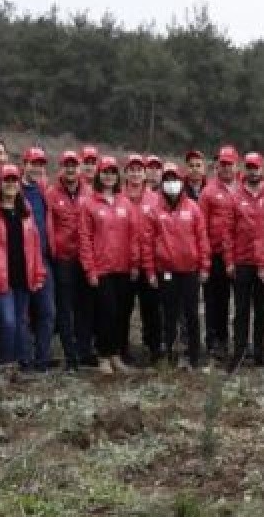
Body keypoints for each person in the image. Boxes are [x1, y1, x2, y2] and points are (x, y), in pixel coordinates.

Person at [0, 165, 48, 382]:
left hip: (23, 276)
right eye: (6, 180)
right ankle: (5, 364)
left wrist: (38, 273)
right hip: (0, 278)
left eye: (14, 180)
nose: (11, 184)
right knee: (8, 322)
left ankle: (21, 364)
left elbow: (35, 245)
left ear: (19, 184)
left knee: (21, 321)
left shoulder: (25, 210)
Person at [143, 163, 210, 371]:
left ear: (182, 182)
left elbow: (202, 239)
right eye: (168, 180)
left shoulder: (193, 207)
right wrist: (150, 271)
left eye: (175, 179)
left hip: (190, 271)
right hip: (166, 272)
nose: (172, 183)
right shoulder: (154, 211)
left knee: (191, 314)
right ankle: (171, 355)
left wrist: (205, 266)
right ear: (162, 183)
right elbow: (147, 243)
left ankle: (194, 355)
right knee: (169, 314)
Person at [78, 157, 140, 375]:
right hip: (101, 268)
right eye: (105, 172)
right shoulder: (89, 204)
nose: (109, 176)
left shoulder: (125, 203)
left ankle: (115, 356)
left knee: (121, 313)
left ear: (117, 176)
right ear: (98, 175)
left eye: (113, 172)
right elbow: (84, 238)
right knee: (106, 312)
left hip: (123, 268)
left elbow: (134, 236)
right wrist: (89, 268)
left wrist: (134, 263)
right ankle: (103, 356)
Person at [224, 152, 264, 372]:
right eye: (249, 167)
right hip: (242, 261)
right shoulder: (235, 195)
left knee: (262, 310)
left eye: (256, 167)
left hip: (263, 262)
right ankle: (239, 351)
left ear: (262, 169)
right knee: (241, 309)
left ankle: (259, 352)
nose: (253, 171)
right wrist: (229, 261)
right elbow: (227, 231)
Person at [45, 150, 93, 371]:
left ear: (80, 168)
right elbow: (49, 226)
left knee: (85, 306)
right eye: (67, 165)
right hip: (64, 259)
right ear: (61, 168)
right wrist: (54, 253)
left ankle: (84, 351)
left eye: (75, 165)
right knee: (65, 309)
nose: (71, 169)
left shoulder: (89, 192)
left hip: (85, 257)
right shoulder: (52, 194)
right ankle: (70, 355)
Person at [122, 154, 163, 364]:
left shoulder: (155, 199)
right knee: (124, 309)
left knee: (151, 308)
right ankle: (122, 349)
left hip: (149, 263)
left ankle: (154, 348)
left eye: (139, 169)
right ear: (126, 172)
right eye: (132, 169)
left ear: (145, 173)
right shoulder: (119, 197)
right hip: (124, 264)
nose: (136, 173)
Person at [19, 147, 56, 372]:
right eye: (33, 163)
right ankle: (25, 360)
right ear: (25, 164)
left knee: (47, 312)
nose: (37, 168)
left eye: (41, 164)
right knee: (22, 314)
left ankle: (42, 360)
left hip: (43, 260)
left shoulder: (44, 190)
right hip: (21, 262)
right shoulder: (13, 188)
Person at [200, 148, 236, 361]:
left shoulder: (242, 188)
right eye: (222, 164)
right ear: (217, 166)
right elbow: (201, 226)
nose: (226, 167)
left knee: (239, 302)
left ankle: (236, 340)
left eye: (229, 164)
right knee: (215, 300)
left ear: (236, 165)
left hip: (237, 253)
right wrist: (204, 257)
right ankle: (215, 340)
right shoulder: (208, 191)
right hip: (215, 253)